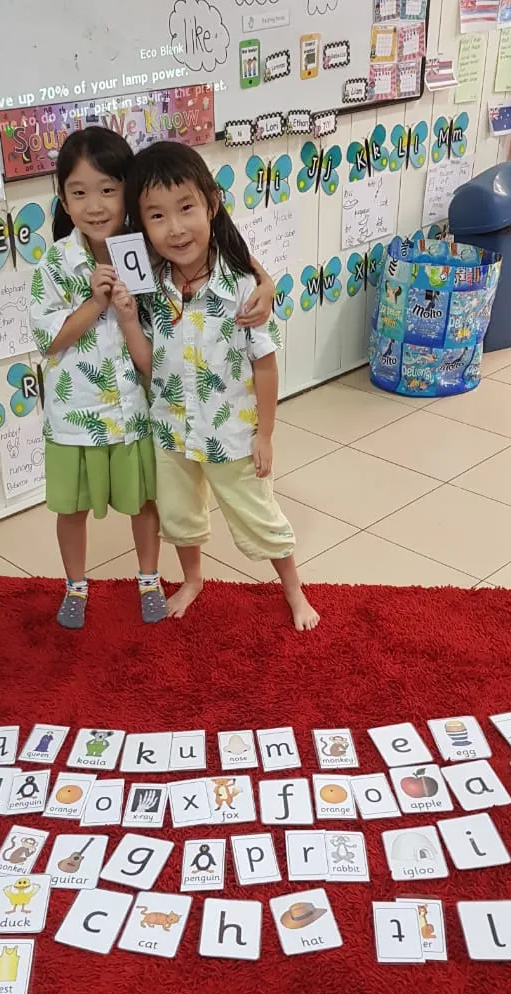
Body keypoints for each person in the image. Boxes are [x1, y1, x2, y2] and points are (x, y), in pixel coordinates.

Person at [30, 127, 275, 630]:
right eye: (79, 192)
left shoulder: (145, 247)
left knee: (145, 501)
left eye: (108, 189)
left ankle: (149, 578)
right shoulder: (56, 261)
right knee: (71, 507)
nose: (95, 205)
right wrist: (94, 302)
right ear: (63, 200)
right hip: (76, 415)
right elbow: (48, 340)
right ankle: (75, 585)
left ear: (128, 192)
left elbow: (221, 250)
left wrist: (266, 283)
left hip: (141, 410)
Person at [126, 142, 319, 631]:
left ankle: (294, 590)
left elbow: (266, 365)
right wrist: (128, 317)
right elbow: (147, 361)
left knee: (258, 514)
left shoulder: (241, 286)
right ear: (142, 224)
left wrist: (265, 434)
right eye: (156, 216)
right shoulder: (149, 284)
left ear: (211, 204)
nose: (175, 228)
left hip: (230, 432)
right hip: (171, 431)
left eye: (186, 208)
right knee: (179, 514)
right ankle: (193, 579)